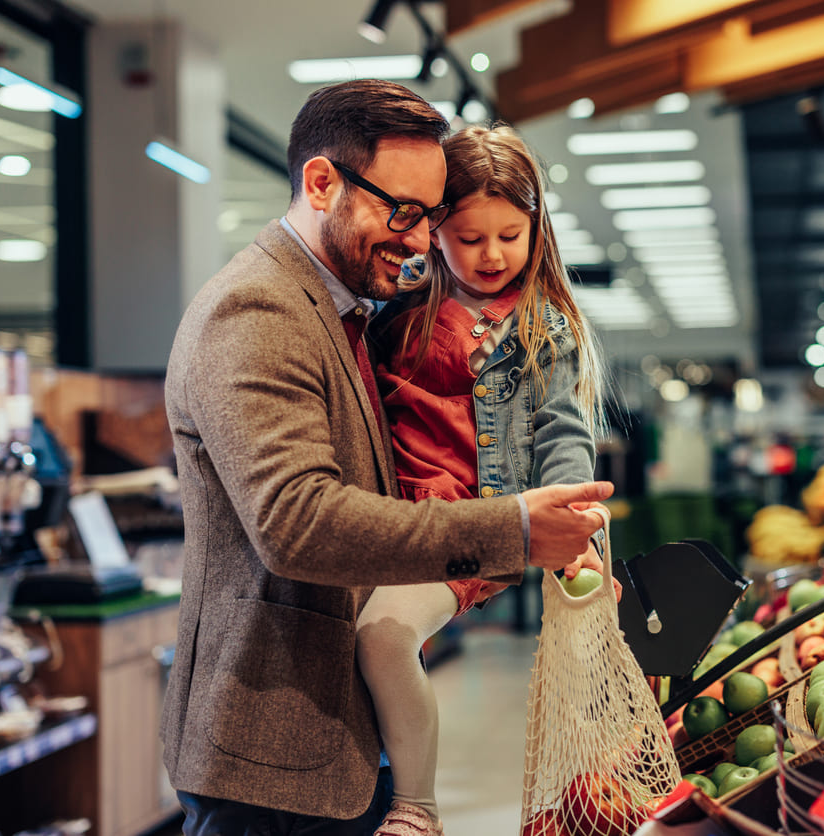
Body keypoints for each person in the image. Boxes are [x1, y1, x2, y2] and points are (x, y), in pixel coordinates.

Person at [161, 80, 613, 836]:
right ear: (320, 182)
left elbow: (554, 436)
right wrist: (512, 531)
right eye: (404, 212)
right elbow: (295, 524)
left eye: (427, 217)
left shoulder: (351, 309)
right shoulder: (258, 310)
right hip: (272, 757)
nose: (415, 239)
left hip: (331, 746)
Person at [356, 124, 610, 836]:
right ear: (434, 230)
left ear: (536, 229)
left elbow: (563, 434)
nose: (491, 255)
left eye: (509, 235)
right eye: (469, 238)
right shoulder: (394, 307)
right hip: (390, 521)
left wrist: (577, 534)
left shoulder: (543, 327)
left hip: (474, 528)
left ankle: (415, 808)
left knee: (381, 637)